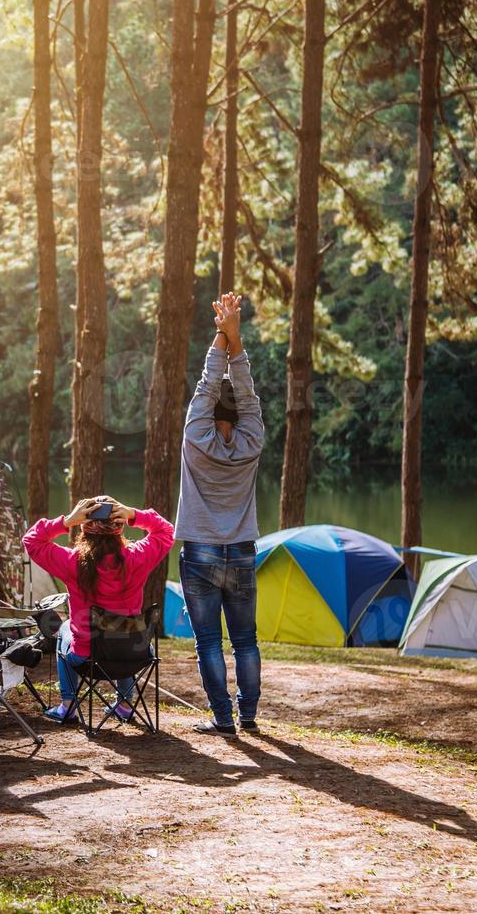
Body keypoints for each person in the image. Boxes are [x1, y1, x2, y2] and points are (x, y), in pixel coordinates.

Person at [177, 291, 265, 736]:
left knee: (209, 640)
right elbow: (244, 395)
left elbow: (206, 384)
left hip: (201, 553)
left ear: (207, 411)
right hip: (243, 552)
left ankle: (224, 719)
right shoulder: (252, 442)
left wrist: (221, 335)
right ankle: (248, 714)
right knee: (245, 639)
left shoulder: (195, 437)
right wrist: (238, 342)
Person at [23, 496, 175, 724]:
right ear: (119, 526)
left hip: (86, 658)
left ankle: (68, 705)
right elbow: (166, 531)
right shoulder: (137, 557)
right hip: (135, 654)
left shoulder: (73, 561)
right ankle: (124, 705)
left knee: (65, 629)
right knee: (123, 634)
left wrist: (67, 521)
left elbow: (32, 540)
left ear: (85, 528)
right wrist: (133, 514)